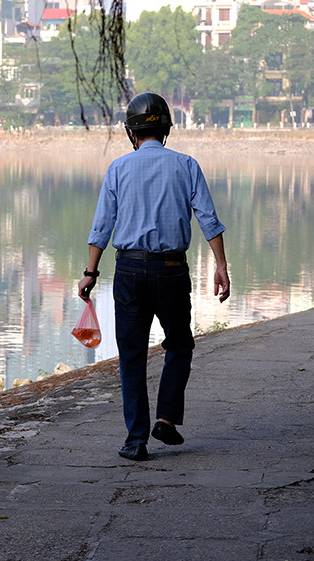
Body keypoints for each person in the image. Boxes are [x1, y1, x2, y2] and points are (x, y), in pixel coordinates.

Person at [77, 92, 230, 462]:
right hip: (172, 270)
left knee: (131, 356)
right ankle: (165, 418)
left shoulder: (117, 169)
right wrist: (221, 265)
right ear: (165, 129)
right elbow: (208, 218)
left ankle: (135, 440)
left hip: (128, 270)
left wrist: (89, 273)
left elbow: (102, 227)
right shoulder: (186, 165)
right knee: (179, 345)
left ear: (132, 133)